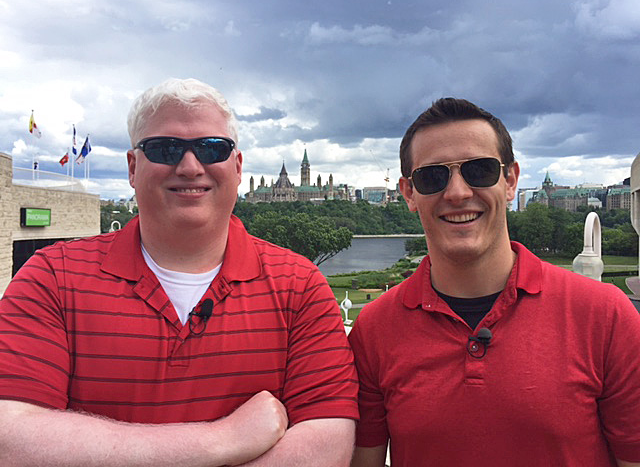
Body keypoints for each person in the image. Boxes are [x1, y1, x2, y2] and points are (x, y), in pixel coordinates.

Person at [0, 78, 358, 466]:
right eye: (165, 148)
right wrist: (221, 439)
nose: (190, 166)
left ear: (237, 168)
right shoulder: (50, 278)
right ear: (133, 168)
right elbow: (11, 441)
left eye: (212, 148)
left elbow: (328, 445)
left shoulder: (301, 286)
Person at [349, 98, 640, 467]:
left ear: (511, 181)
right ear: (409, 193)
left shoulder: (606, 315)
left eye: (480, 170)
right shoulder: (374, 330)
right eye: (433, 177)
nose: (457, 193)